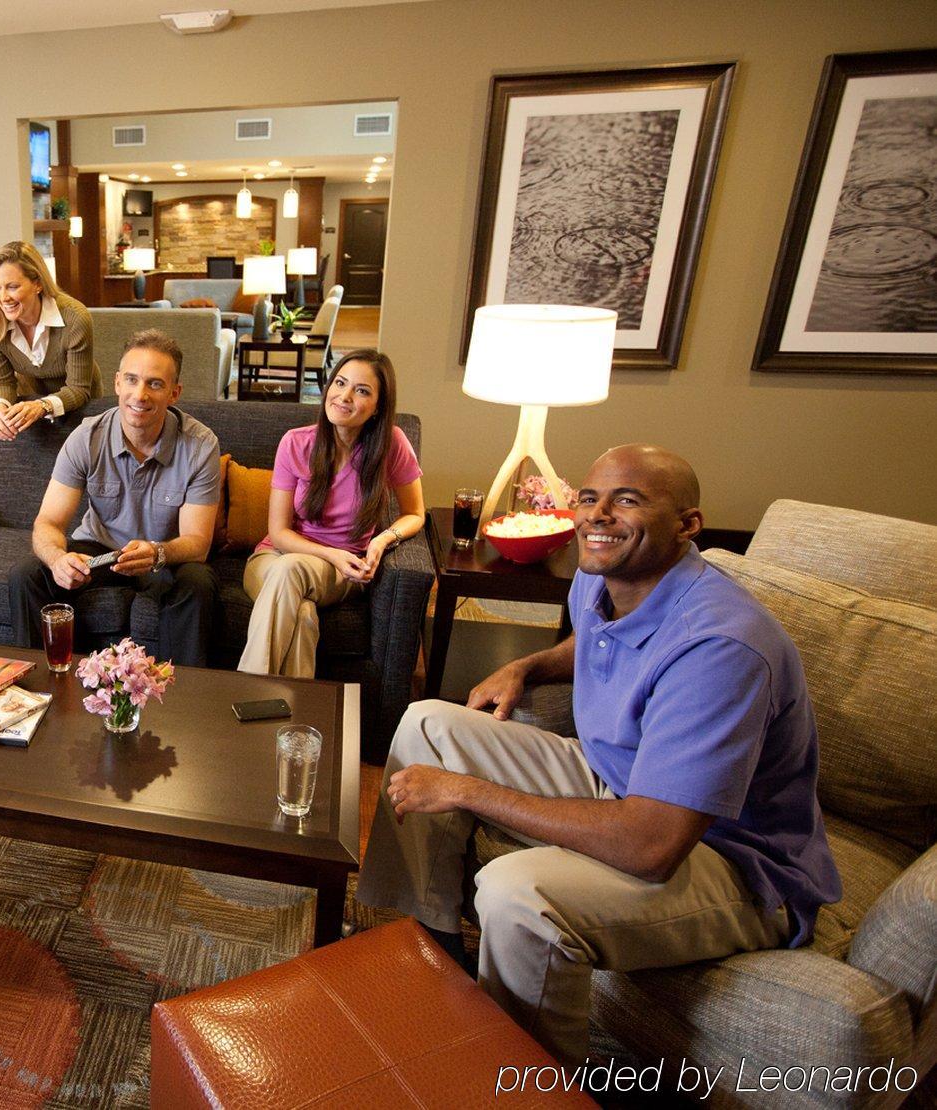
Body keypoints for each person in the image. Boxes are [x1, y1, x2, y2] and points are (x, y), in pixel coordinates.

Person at [355, 444, 841, 1063]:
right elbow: (594, 643)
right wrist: (527, 666)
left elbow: (651, 844)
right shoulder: (598, 577)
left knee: (516, 891)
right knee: (428, 722)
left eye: (628, 501)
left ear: (687, 526)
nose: (597, 516)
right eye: (589, 498)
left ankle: (523, 1085)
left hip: (728, 855)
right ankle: (430, 946)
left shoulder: (722, 648)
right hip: (618, 775)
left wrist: (465, 790)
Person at [7, 329, 219, 667]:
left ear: (174, 393)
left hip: (163, 555)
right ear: (117, 382)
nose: (140, 394)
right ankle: (42, 690)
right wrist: (57, 559)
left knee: (198, 583)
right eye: (132, 380)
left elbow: (197, 542)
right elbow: (48, 522)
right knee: (27, 575)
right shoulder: (86, 437)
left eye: (155, 384)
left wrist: (158, 552)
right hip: (102, 551)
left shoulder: (200, 445)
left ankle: (180, 701)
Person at [237, 350, 424, 677]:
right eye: (340, 383)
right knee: (303, 614)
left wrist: (381, 540)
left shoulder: (391, 444)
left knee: (291, 570)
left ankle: (249, 693)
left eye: (361, 390)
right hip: (272, 558)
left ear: (378, 406)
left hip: (343, 571)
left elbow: (415, 513)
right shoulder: (296, 443)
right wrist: (330, 554)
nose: (344, 396)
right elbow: (279, 532)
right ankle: (292, 720)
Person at [0, 241, 100, 442]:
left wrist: (43, 406)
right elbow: (2, 381)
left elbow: (79, 388)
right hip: (30, 401)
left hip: (79, 403)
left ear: (38, 283)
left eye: (13, 286)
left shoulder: (75, 317)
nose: (3, 297)